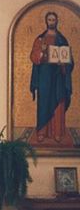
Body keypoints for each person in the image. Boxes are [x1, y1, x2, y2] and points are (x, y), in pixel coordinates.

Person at [30, 11, 74, 144]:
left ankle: (57, 133)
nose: (51, 22)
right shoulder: (40, 39)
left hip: (58, 76)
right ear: (46, 21)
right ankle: (42, 132)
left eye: (53, 19)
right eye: (49, 19)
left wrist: (64, 63)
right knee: (44, 103)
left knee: (58, 103)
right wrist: (41, 53)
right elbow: (33, 57)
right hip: (44, 75)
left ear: (56, 21)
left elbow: (70, 60)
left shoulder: (62, 39)